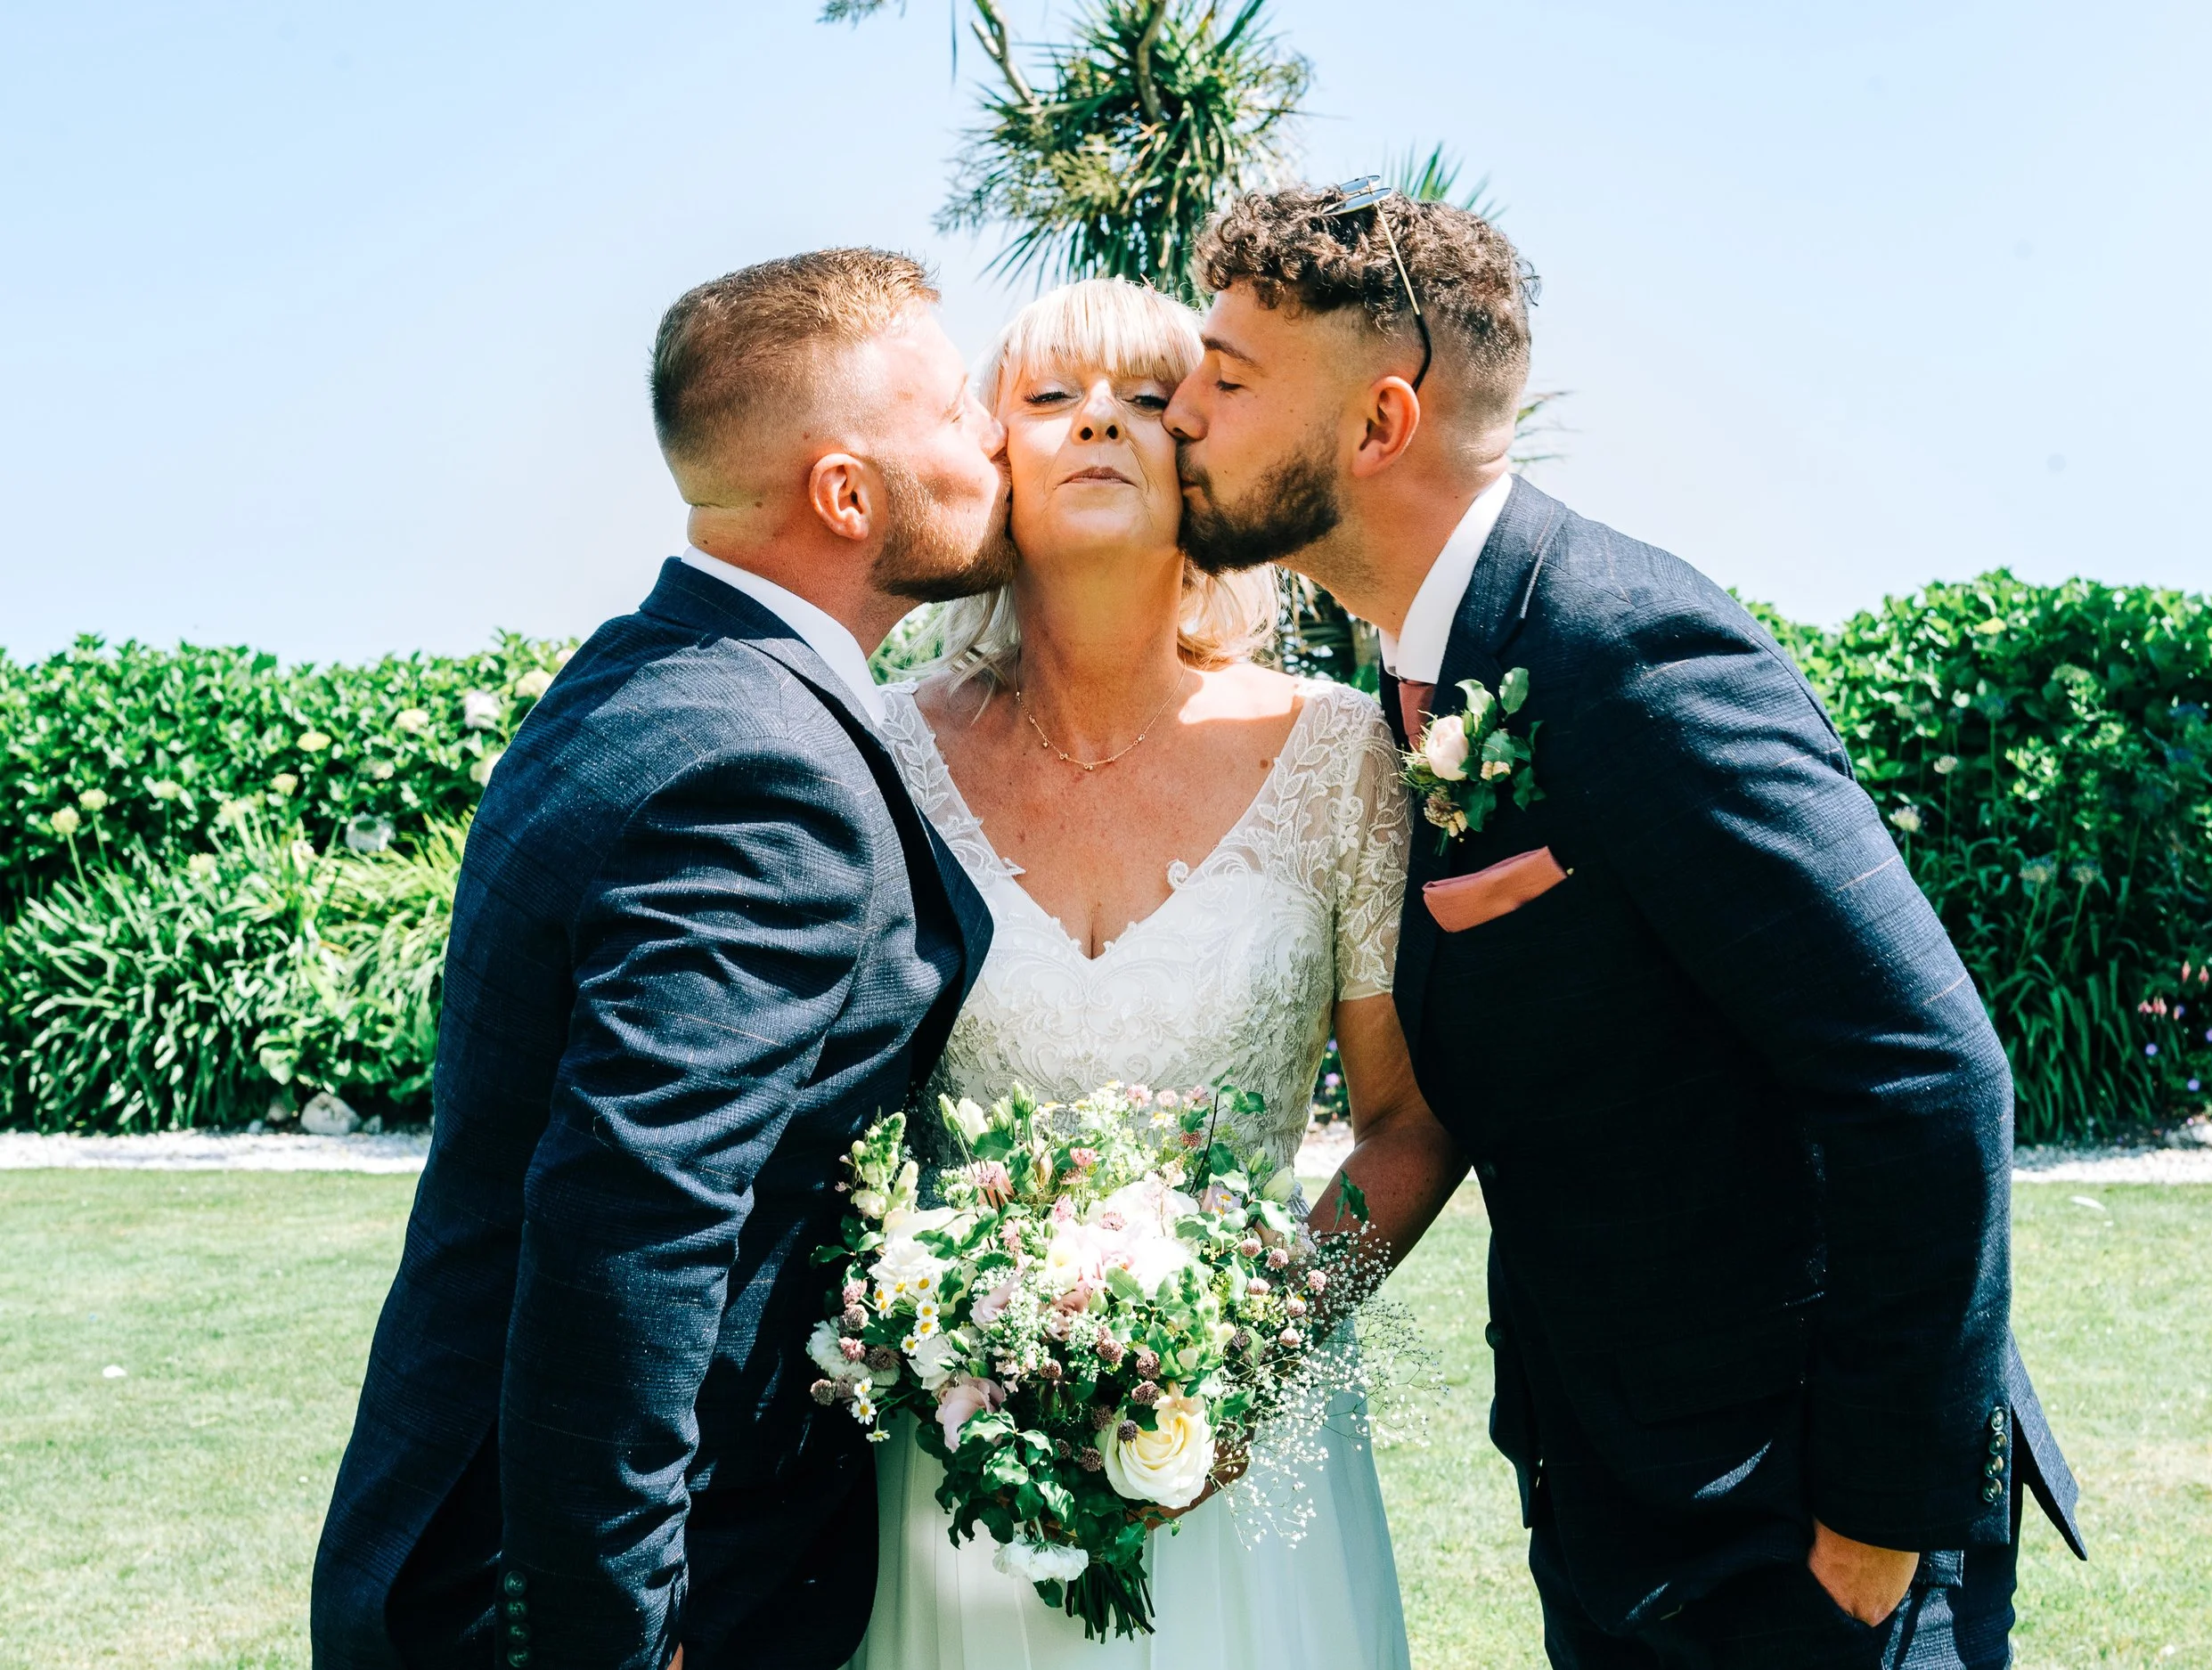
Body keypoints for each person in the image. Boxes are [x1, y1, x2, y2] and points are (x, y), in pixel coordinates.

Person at [1162, 186, 2087, 1670]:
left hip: (1795, 1545)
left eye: (1227, 375)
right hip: (1621, 1517)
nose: (1178, 409)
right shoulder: (1435, 678)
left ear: (1380, 423)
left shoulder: (1629, 653)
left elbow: (1927, 1070)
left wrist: (1871, 1527)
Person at [311, 248, 1009, 1670]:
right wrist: (610, 1635)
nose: (995, 435)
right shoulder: (762, 766)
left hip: (449, 1530)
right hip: (594, 1598)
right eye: (953, 412)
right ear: (845, 494)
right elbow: (633, 1227)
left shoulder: (635, 675)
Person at [853, 277, 1449, 1669]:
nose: (1101, 424)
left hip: (1248, 1460)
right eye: (1051, 398)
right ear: (989, 456)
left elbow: (1409, 1121)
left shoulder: (1339, 750)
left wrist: (1249, 1351)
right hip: (958, 1462)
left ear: (1205, 466)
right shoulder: (880, 753)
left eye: (1146, 400)